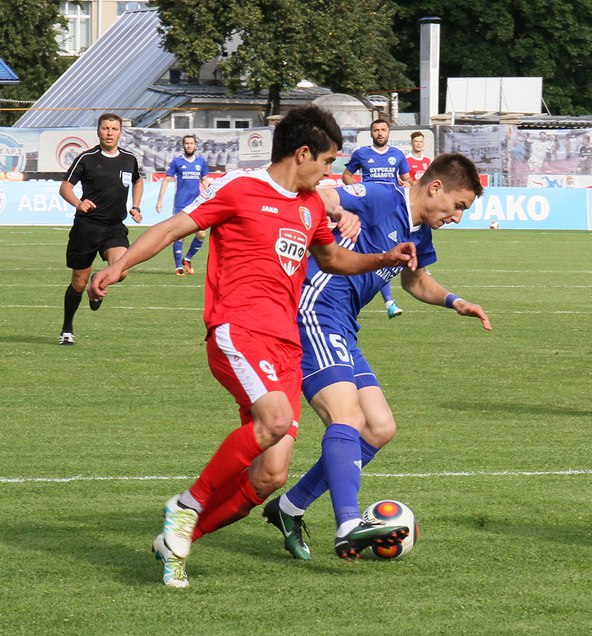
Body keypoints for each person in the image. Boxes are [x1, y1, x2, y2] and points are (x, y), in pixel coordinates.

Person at [88, 105, 418, 588]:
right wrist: (119, 267)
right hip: (237, 330)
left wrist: (380, 258)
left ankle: (179, 539)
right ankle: (187, 504)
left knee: (270, 477)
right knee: (277, 420)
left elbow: (331, 258)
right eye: (326, 163)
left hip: (286, 344)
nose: (329, 174)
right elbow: (171, 229)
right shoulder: (240, 189)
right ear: (302, 154)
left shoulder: (308, 207)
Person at [262, 153, 491, 561]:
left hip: (344, 325)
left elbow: (416, 282)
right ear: (435, 188)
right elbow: (323, 193)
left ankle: (289, 507)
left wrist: (454, 301)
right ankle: (348, 523)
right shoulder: (383, 197)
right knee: (346, 417)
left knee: (380, 428)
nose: (457, 217)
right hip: (312, 311)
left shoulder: (420, 234)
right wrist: (337, 211)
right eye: (459, 206)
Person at [57, 113, 143, 346]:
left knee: (122, 269)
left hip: (114, 227)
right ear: (98, 131)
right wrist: (78, 202)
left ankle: (99, 279)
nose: (109, 132)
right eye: (105, 128)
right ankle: (67, 328)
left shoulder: (129, 159)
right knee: (78, 282)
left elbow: (138, 180)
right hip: (87, 227)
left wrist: (135, 206)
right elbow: (65, 187)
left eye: (114, 129)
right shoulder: (87, 158)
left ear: (120, 132)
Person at [343, 118, 413, 318]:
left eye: (383, 130)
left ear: (389, 132)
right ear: (371, 133)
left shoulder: (397, 155)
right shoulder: (362, 154)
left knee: (386, 253)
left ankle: (386, 301)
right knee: (379, 253)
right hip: (369, 210)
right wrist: (356, 191)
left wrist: (409, 186)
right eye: (376, 130)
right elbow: (347, 175)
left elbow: (408, 179)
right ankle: (389, 302)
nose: (380, 133)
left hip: (392, 210)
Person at [155, 135, 210, 275]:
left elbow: (204, 181)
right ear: (183, 145)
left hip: (197, 203)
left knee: (202, 234)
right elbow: (166, 180)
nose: (189, 145)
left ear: (196, 145)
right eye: (187, 143)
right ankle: (178, 266)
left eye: (191, 143)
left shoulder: (201, 162)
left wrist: (214, 195)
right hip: (180, 204)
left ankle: (188, 258)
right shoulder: (177, 162)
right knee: (179, 235)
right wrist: (160, 200)